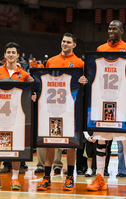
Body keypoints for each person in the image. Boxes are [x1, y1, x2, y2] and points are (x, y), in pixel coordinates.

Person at [86, 20, 126, 194]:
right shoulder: (100, 50)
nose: (111, 31)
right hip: (103, 101)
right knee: (101, 140)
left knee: (125, 141)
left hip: (122, 101)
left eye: (114, 28)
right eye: (109, 28)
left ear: (121, 31)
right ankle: (100, 177)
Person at [0, 42, 36, 191]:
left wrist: (33, 94)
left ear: (17, 55)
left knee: (16, 146)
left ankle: (15, 178)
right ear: (4, 55)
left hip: (16, 117)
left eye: (13, 52)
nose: (10, 54)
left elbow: (28, 95)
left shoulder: (25, 75)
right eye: (8, 52)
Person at [37, 32, 87, 191]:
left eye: (68, 42)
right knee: (50, 144)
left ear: (74, 45)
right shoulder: (51, 61)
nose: (65, 44)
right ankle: (46, 177)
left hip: (71, 109)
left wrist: (84, 82)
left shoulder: (80, 63)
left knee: (71, 144)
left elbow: (85, 85)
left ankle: (70, 176)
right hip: (53, 109)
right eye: (63, 41)